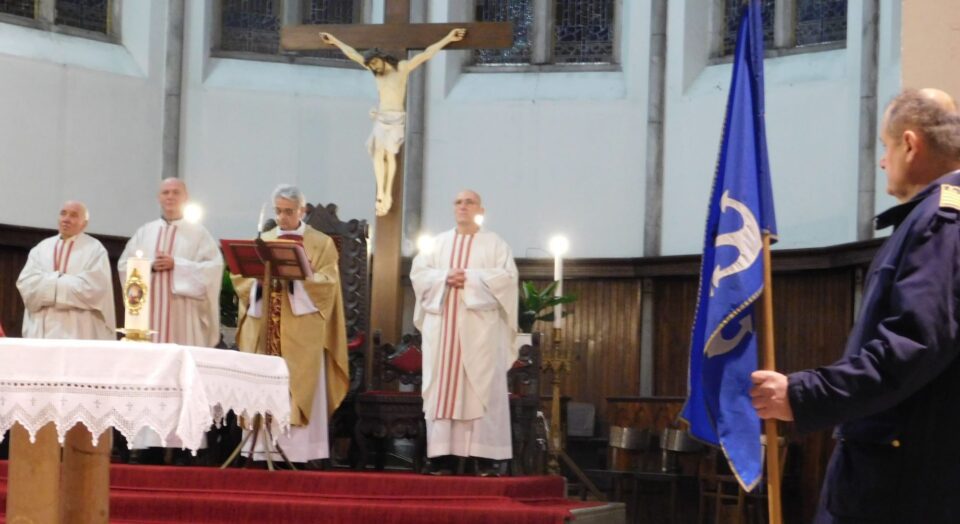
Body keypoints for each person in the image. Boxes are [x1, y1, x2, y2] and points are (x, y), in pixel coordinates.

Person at [750, 89, 960, 523]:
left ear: (909, 143)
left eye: (885, 147)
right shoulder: (937, 220)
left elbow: (914, 345)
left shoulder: (939, 223)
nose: (884, 161)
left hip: (897, 488)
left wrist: (802, 395)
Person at [232, 184, 349, 464]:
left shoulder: (321, 243)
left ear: (302, 211)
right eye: (279, 211)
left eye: (288, 212)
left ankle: (300, 452)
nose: (283, 217)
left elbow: (328, 286)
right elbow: (241, 280)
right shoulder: (263, 240)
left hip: (302, 330)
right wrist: (258, 282)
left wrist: (298, 278)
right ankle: (261, 449)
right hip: (266, 328)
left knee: (299, 381)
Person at [410, 190, 518, 475]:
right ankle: (441, 456)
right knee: (442, 388)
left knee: (481, 388)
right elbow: (419, 276)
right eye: (458, 202)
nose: (463, 206)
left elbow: (507, 280)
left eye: (469, 202)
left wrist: (470, 278)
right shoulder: (437, 245)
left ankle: (485, 457)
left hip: (480, 332)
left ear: (480, 208)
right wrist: (444, 277)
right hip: (442, 331)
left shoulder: (495, 244)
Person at [119, 178, 223, 459]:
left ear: (185, 197)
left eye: (176, 192)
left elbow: (213, 271)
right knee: (149, 378)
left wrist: (179, 266)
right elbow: (124, 267)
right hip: (149, 323)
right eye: (165, 192)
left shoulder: (198, 234)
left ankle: (183, 446)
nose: (170, 197)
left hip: (183, 321)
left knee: (181, 380)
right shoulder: (144, 233)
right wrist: (147, 267)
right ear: (158, 197)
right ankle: (147, 445)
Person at [319, 28, 466, 216]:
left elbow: (427, 54)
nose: (373, 67)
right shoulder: (376, 74)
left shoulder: (402, 68)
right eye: (370, 65)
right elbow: (354, 55)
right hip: (381, 117)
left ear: (381, 57)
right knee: (377, 153)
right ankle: (381, 192)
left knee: (390, 155)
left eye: (374, 62)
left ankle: (388, 193)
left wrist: (448, 38)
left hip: (396, 118)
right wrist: (335, 41)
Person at [17, 200, 116, 340]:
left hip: (78, 331)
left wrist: (49, 285)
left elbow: (93, 289)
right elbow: (27, 285)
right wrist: (65, 284)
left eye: (74, 215)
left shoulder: (95, 250)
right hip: (42, 330)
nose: (66, 219)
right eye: (63, 214)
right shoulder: (41, 249)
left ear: (84, 223)